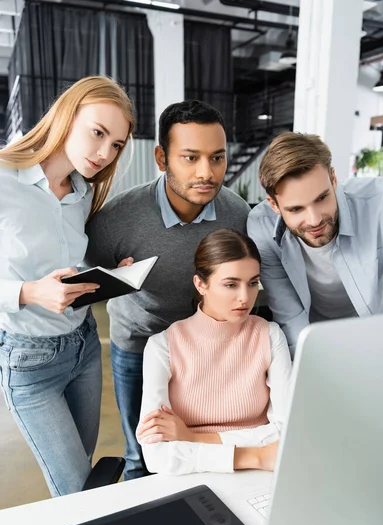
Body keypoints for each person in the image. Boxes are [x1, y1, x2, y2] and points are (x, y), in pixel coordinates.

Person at [85, 100, 250, 480]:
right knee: (141, 456)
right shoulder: (117, 219)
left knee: (201, 445)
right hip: (139, 347)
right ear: (162, 157)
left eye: (217, 158)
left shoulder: (237, 215)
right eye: (190, 158)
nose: (207, 173)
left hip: (209, 348)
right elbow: (83, 281)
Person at [0, 76, 135, 496]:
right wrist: (29, 292)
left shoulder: (82, 192)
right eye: (98, 132)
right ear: (66, 116)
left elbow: (67, 264)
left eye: (116, 144)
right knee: (75, 491)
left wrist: (110, 272)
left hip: (84, 347)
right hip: (29, 361)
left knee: (87, 476)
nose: (104, 153)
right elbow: (36, 281)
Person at [136, 229, 292, 475]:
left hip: (258, 472)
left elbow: (288, 431)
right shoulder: (162, 347)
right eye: (231, 284)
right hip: (200, 476)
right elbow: (156, 457)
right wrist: (257, 455)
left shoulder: (270, 335)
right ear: (200, 284)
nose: (245, 297)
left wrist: (191, 437)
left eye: (253, 283)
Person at [247, 132, 383, 358]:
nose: (314, 220)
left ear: (333, 178)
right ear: (274, 204)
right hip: (318, 344)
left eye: (322, 198)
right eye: (296, 209)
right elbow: (290, 318)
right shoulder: (261, 226)